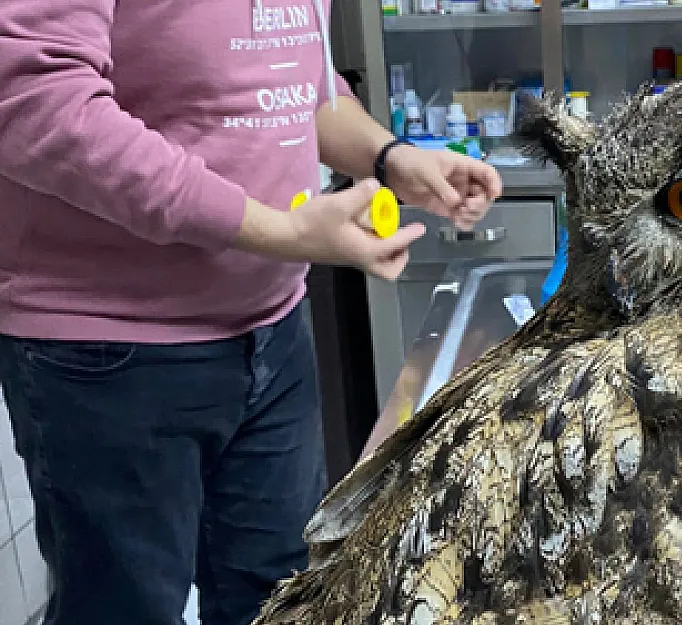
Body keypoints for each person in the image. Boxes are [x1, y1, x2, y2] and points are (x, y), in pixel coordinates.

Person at [0, 2, 502, 625]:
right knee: (126, 608)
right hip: (112, 350)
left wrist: (388, 157)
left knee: (279, 596)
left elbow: (300, 88)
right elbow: (35, 104)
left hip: (274, 331)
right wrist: (277, 230)